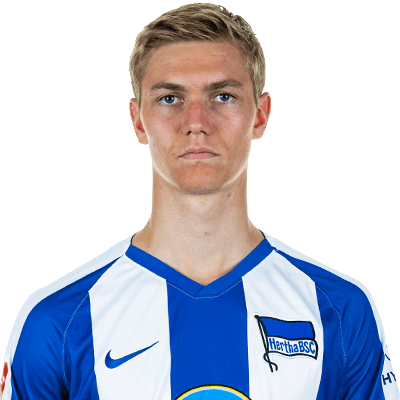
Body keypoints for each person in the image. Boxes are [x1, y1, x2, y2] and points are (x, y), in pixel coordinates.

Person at [1, 3, 399, 399]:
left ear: (260, 115)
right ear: (138, 120)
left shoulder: (340, 309)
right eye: (170, 98)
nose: (196, 122)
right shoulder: (58, 320)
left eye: (223, 96)